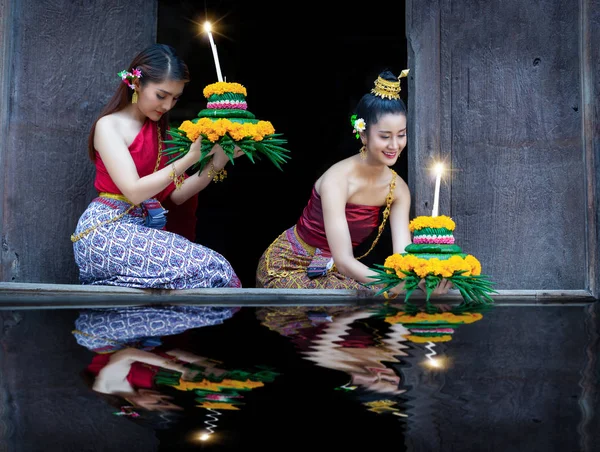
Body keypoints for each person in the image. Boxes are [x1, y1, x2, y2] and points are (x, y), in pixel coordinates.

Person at [256, 70, 452, 297]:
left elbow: (402, 258)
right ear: (363, 134)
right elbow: (345, 260)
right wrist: (390, 285)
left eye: (401, 135)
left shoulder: (398, 190)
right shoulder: (337, 180)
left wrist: (421, 279)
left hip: (335, 275)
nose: (394, 145)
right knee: (364, 298)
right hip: (287, 268)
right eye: (385, 136)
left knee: (375, 298)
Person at [71, 43, 242, 288]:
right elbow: (134, 191)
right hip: (106, 231)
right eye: (161, 95)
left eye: (175, 98)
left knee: (219, 273)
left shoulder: (165, 135)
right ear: (137, 83)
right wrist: (191, 157)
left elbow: (178, 196)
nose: (168, 106)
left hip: (140, 229)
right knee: (214, 270)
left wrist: (220, 159)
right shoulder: (109, 126)